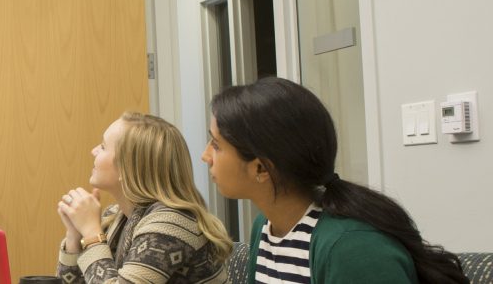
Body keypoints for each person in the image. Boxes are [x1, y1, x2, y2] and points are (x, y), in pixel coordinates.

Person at [205, 77, 468, 283]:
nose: (206, 156)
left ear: (262, 168)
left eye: (216, 145)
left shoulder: (353, 248)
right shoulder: (265, 225)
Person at [57, 112, 232, 284]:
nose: (93, 151)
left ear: (127, 167)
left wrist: (91, 234)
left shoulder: (171, 222)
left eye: (103, 147)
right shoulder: (116, 216)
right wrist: (74, 237)